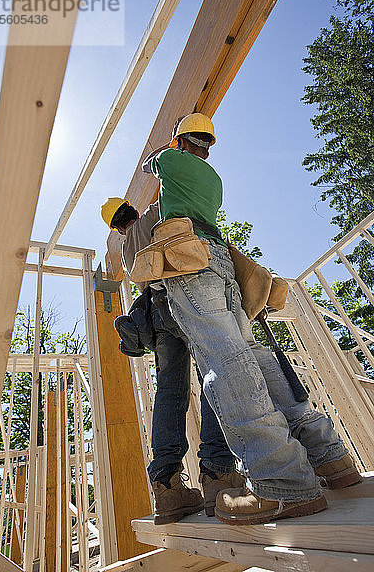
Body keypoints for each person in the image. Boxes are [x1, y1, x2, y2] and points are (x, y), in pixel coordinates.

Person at [142, 112, 361, 525]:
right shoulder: (214, 180)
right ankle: (330, 457)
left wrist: (167, 152)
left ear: (181, 141)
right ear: (208, 144)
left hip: (190, 263)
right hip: (221, 263)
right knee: (255, 356)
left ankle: (282, 481)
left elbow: (149, 162)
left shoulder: (170, 161)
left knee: (224, 363)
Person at [101, 197, 245, 525]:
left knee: (169, 394)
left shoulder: (126, 251)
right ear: (132, 211)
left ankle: (167, 487)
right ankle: (218, 473)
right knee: (214, 373)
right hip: (182, 297)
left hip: (156, 315)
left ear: (115, 227)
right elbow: (170, 195)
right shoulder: (152, 214)